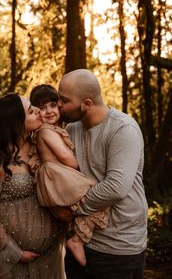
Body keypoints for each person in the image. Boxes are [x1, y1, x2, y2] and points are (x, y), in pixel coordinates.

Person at [56, 69, 148, 279]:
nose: (59, 104)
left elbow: (116, 187)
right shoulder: (72, 130)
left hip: (119, 247)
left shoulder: (123, 130)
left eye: (64, 100)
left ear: (87, 104)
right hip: (80, 240)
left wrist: (73, 209)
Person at [0, 93, 65, 279]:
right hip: (11, 259)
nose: (39, 113)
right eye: (31, 111)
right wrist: (13, 251)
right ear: (15, 122)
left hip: (49, 254)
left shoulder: (40, 144)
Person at [30, 84, 109, 267]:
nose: (48, 111)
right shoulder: (45, 131)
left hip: (59, 177)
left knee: (86, 206)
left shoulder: (57, 129)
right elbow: (67, 158)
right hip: (58, 177)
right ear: (35, 111)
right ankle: (77, 240)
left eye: (52, 105)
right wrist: (80, 166)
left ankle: (76, 239)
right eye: (41, 108)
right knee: (99, 198)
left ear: (59, 105)